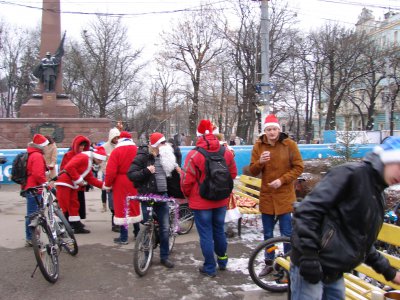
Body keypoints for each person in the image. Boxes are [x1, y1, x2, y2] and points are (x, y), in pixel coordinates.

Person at [290, 136, 400, 300]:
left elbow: (361, 241)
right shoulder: (351, 174)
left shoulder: (377, 193)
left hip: (334, 272)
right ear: (388, 159)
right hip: (313, 267)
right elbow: (308, 211)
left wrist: (389, 272)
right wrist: (309, 257)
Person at [181, 119, 237, 277]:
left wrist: (187, 194)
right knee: (219, 230)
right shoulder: (225, 152)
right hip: (220, 199)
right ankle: (223, 260)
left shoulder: (194, 154)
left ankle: (210, 267)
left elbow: (186, 180)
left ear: (198, 135)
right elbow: (232, 174)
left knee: (206, 234)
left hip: (201, 201)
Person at [249, 114, 304, 276]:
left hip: (285, 197)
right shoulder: (259, 146)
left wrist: (282, 180)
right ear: (264, 131)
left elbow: (299, 167)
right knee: (268, 234)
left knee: (286, 233)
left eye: (274, 129)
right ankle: (269, 262)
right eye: (268, 129)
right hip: (267, 196)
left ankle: (287, 263)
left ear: (279, 130)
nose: (271, 132)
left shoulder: (289, 145)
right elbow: (252, 170)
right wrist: (260, 162)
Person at [127, 132, 178, 269]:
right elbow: (131, 174)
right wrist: (146, 171)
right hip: (147, 196)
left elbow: (172, 172)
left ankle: (164, 257)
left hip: (163, 196)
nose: (165, 145)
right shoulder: (143, 156)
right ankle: (144, 256)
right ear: (155, 145)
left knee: (165, 227)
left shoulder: (166, 157)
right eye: (162, 143)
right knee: (146, 225)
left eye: (165, 142)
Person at [55, 146, 106, 234]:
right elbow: (69, 167)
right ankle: (60, 226)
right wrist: (79, 180)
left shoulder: (88, 160)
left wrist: (105, 186)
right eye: (100, 160)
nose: (101, 162)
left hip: (72, 184)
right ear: (96, 157)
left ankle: (76, 225)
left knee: (74, 205)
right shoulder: (84, 157)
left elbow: (90, 178)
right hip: (65, 182)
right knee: (64, 205)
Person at [104, 131, 141, 245]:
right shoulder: (136, 150)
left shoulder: (116, 151)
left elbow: (111, 171)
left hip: (120, 182)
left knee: (123, 208)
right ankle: (137, 232)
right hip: (134, 180)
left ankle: (124, 237)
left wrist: (108, 184)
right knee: (134, 206)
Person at [23, 134, 49, 247]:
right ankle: (31, 238)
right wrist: (46, 183)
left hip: (31, 187)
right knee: (33, 214)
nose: (47, 147)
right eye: (45, 145)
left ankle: (32, 237)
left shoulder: (32, 154)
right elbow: (38, 174)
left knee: (33, 214)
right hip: (35, 188)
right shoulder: (37, 156)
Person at [60, 135, 91, 221]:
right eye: (81, 145)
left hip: (79, 184)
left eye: (84, 145)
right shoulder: (68, 155)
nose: (83, 147)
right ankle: (69, 222)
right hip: (71, 183)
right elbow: (64, 169)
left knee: (78, 203)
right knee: (70, 204)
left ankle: (76, 221)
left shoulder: (85, 156)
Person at [102, 127, 120, 232]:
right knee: (112, 199)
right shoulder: (105, 147)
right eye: (115, 137)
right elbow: (103, 162)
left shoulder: (119, 146)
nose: (117, 139)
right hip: (109, 174)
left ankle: (119, 221)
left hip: (118, 176)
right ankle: (114, 223)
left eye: (118, 137)